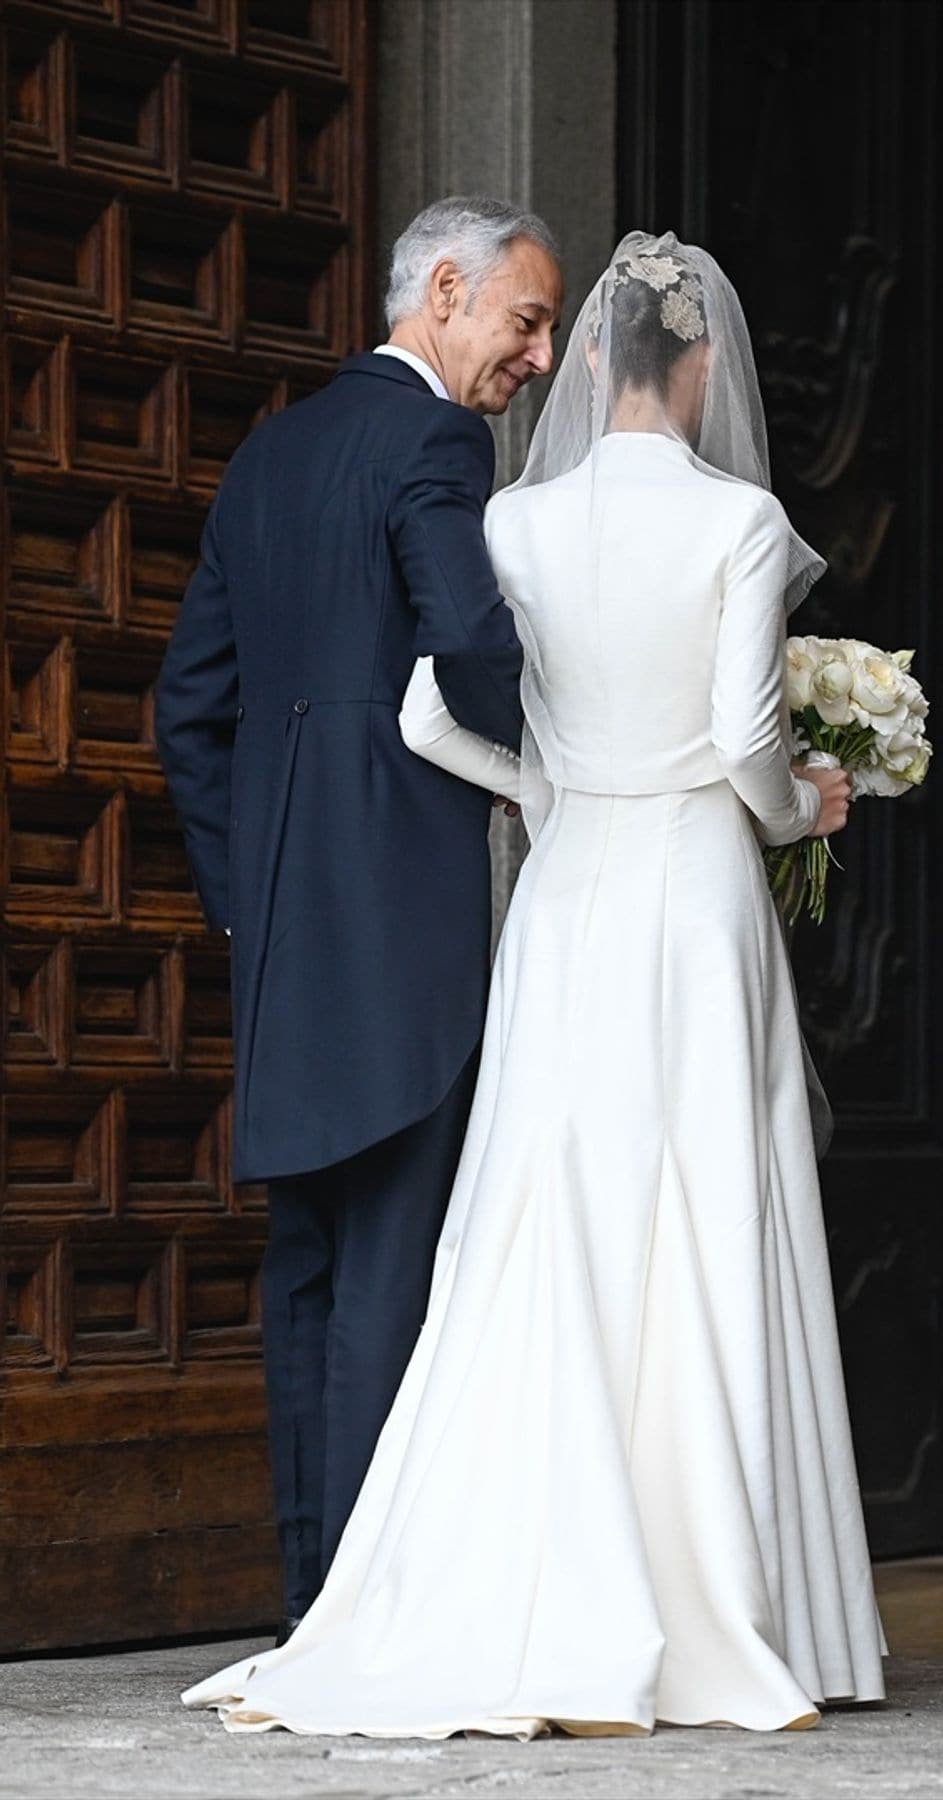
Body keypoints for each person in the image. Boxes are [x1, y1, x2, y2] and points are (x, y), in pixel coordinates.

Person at [182, 231, 885, 1736]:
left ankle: (415, 1577)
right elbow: (749, 738)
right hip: (692, 888)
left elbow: (436, 710)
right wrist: (804, 804)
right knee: (704, 1196)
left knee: (533, 1218)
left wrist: (555, 790)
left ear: (593, 361)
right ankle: (730, 1597)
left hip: (567, 899)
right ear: (702, 367)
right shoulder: (742, 519)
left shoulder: (515, 519)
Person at [155, 196, 563, 1644]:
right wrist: (565, 780)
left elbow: (185, 711)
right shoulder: (434, 442)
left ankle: (308, 1597)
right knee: (389, 1268)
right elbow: (466, 639)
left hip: (281, 941)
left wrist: (243, 896)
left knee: (309, 1270)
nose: (539, 355)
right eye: (524, 319)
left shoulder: (266, 456)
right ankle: (366, 1619)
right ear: (442, 291)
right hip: (400, 927)